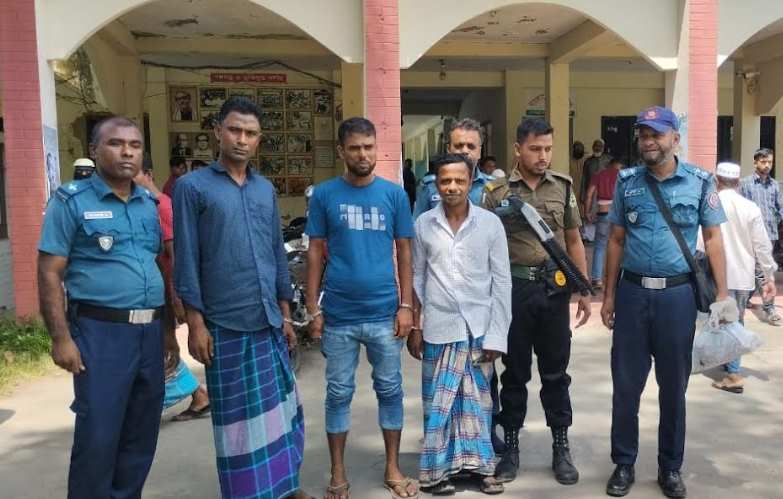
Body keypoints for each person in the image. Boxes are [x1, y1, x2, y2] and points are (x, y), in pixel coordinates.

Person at [173, 96, 309, 499]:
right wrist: (195, 324)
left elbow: (275, 255)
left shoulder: (264, 189)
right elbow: (186, 260)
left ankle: (285, 486)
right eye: (234, 130)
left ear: (259, 139)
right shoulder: (192, 188)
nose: (241, 139)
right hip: (223, 323)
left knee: (283, 412)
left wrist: (286, 315)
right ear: (218, 131)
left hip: (267, 320)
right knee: (237, 427)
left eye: (250, 133)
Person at [601, 106, 733, 498]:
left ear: (675, 138)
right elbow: (616, 240)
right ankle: (623, 463)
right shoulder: (628, 183)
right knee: (626, 386)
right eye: (643, 134)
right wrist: (608, 296)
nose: (648, 141)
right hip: (633, 295)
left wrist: (723, 295)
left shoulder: (700, 183)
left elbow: (713, 238)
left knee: (673, 388)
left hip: (677, 298)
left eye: (656, 134)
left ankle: (670, 468)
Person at [37, 116, 165, 498]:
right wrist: (61, 338)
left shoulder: (148, 203)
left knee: (140, 436)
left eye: (135, 145)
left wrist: (168, 335)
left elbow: (156, 266)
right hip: (101, 333)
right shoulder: (71, 201)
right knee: (99, 437)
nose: (127, 152)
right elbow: (49, 272)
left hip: (149, 332)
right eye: (116, 143)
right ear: (94, 151)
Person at [305, 117, 418, 499]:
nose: (363, 154)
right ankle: (337, 472)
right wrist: (313, 308)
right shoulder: (324, 195)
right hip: (339, 315)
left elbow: (405, 250)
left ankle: (392, 467)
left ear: (376, 149)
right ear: (341, 151)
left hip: (384, 312)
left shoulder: (394, 195)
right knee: (338, 393)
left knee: (390, 389)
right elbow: (315, 251)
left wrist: (406, 305)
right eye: (354, 148)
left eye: (368, 147)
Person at [482, 117, 591, 487]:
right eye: (535, 149)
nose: (543, 156)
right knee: (514, 373)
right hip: (513, 292)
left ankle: (561, 447)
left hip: (553, 291)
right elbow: (484, 246)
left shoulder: (562, 186)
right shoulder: (496, 192)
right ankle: (510, 448)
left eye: (548, 149)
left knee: (556, 374)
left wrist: (582, 289)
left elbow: (573, 239)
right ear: (518, 149)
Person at [408, 153, 511, 495]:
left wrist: (497, 335)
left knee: (479, 405)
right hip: (439, 328)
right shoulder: (424, 224)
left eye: (459, 180)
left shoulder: (489, 224)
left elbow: (502, 282)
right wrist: (416, 326)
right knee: (440, 405)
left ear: (470, 183)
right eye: (445, 181)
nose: (452, 187)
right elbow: (418, 276)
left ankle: (481, 469)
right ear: (436, 185)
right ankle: (437, 473)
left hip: (479, 329)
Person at [133, 161, 210, 421]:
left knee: (162, 348)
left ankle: (194, 394)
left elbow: (176, 254)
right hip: (153, 291)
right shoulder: (144, 204)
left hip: (166, 291)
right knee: (157, 348)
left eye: (135, 173)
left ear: (149, 174)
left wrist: (178, 297)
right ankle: (197, 394)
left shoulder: (162, 206)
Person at [704, 162, 777, 394]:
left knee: (725, 321)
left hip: (716, 275)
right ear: (737, 182)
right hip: (742, 275)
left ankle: (734, 374)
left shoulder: (709, 204)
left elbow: (699, 243)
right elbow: (762, 245)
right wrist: (768, 276)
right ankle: (728, 362)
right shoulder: (750, 207)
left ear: (717, 181)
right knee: (733, 320)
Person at [413, 118, 492, 219]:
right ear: (449, 149)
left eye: (471, 146)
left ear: (479, 152)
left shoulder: (493, 187)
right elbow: (418, 225)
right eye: (459, 146)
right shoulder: (430, 186)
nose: (465, 151)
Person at [740, 148, 783, 324]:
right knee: (762, 271)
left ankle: (745, 299)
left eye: (770, 162)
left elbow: (780, 208)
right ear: (755, 162)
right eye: (763, 162)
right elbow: (741, 209)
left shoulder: (774, 185)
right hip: (751, 235)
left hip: (770, 235)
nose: (767, 165)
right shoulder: (746, 184)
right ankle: (769, 308)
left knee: (758, 269)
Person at [584, 157, 622, 289]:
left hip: (603, 213)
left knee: (600, 246)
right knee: (619, 245)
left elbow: (589, 195)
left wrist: (587, 212)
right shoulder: (622, 176)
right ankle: (618, 278)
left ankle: (597, 279)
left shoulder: (599, 175)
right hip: (618, 214)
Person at [569, 141, 586, 207]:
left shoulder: (586, 159)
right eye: (577, 149)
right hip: (572, 189)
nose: (578, 151)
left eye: (580, 149)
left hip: (583, 189)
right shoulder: (569, 160)